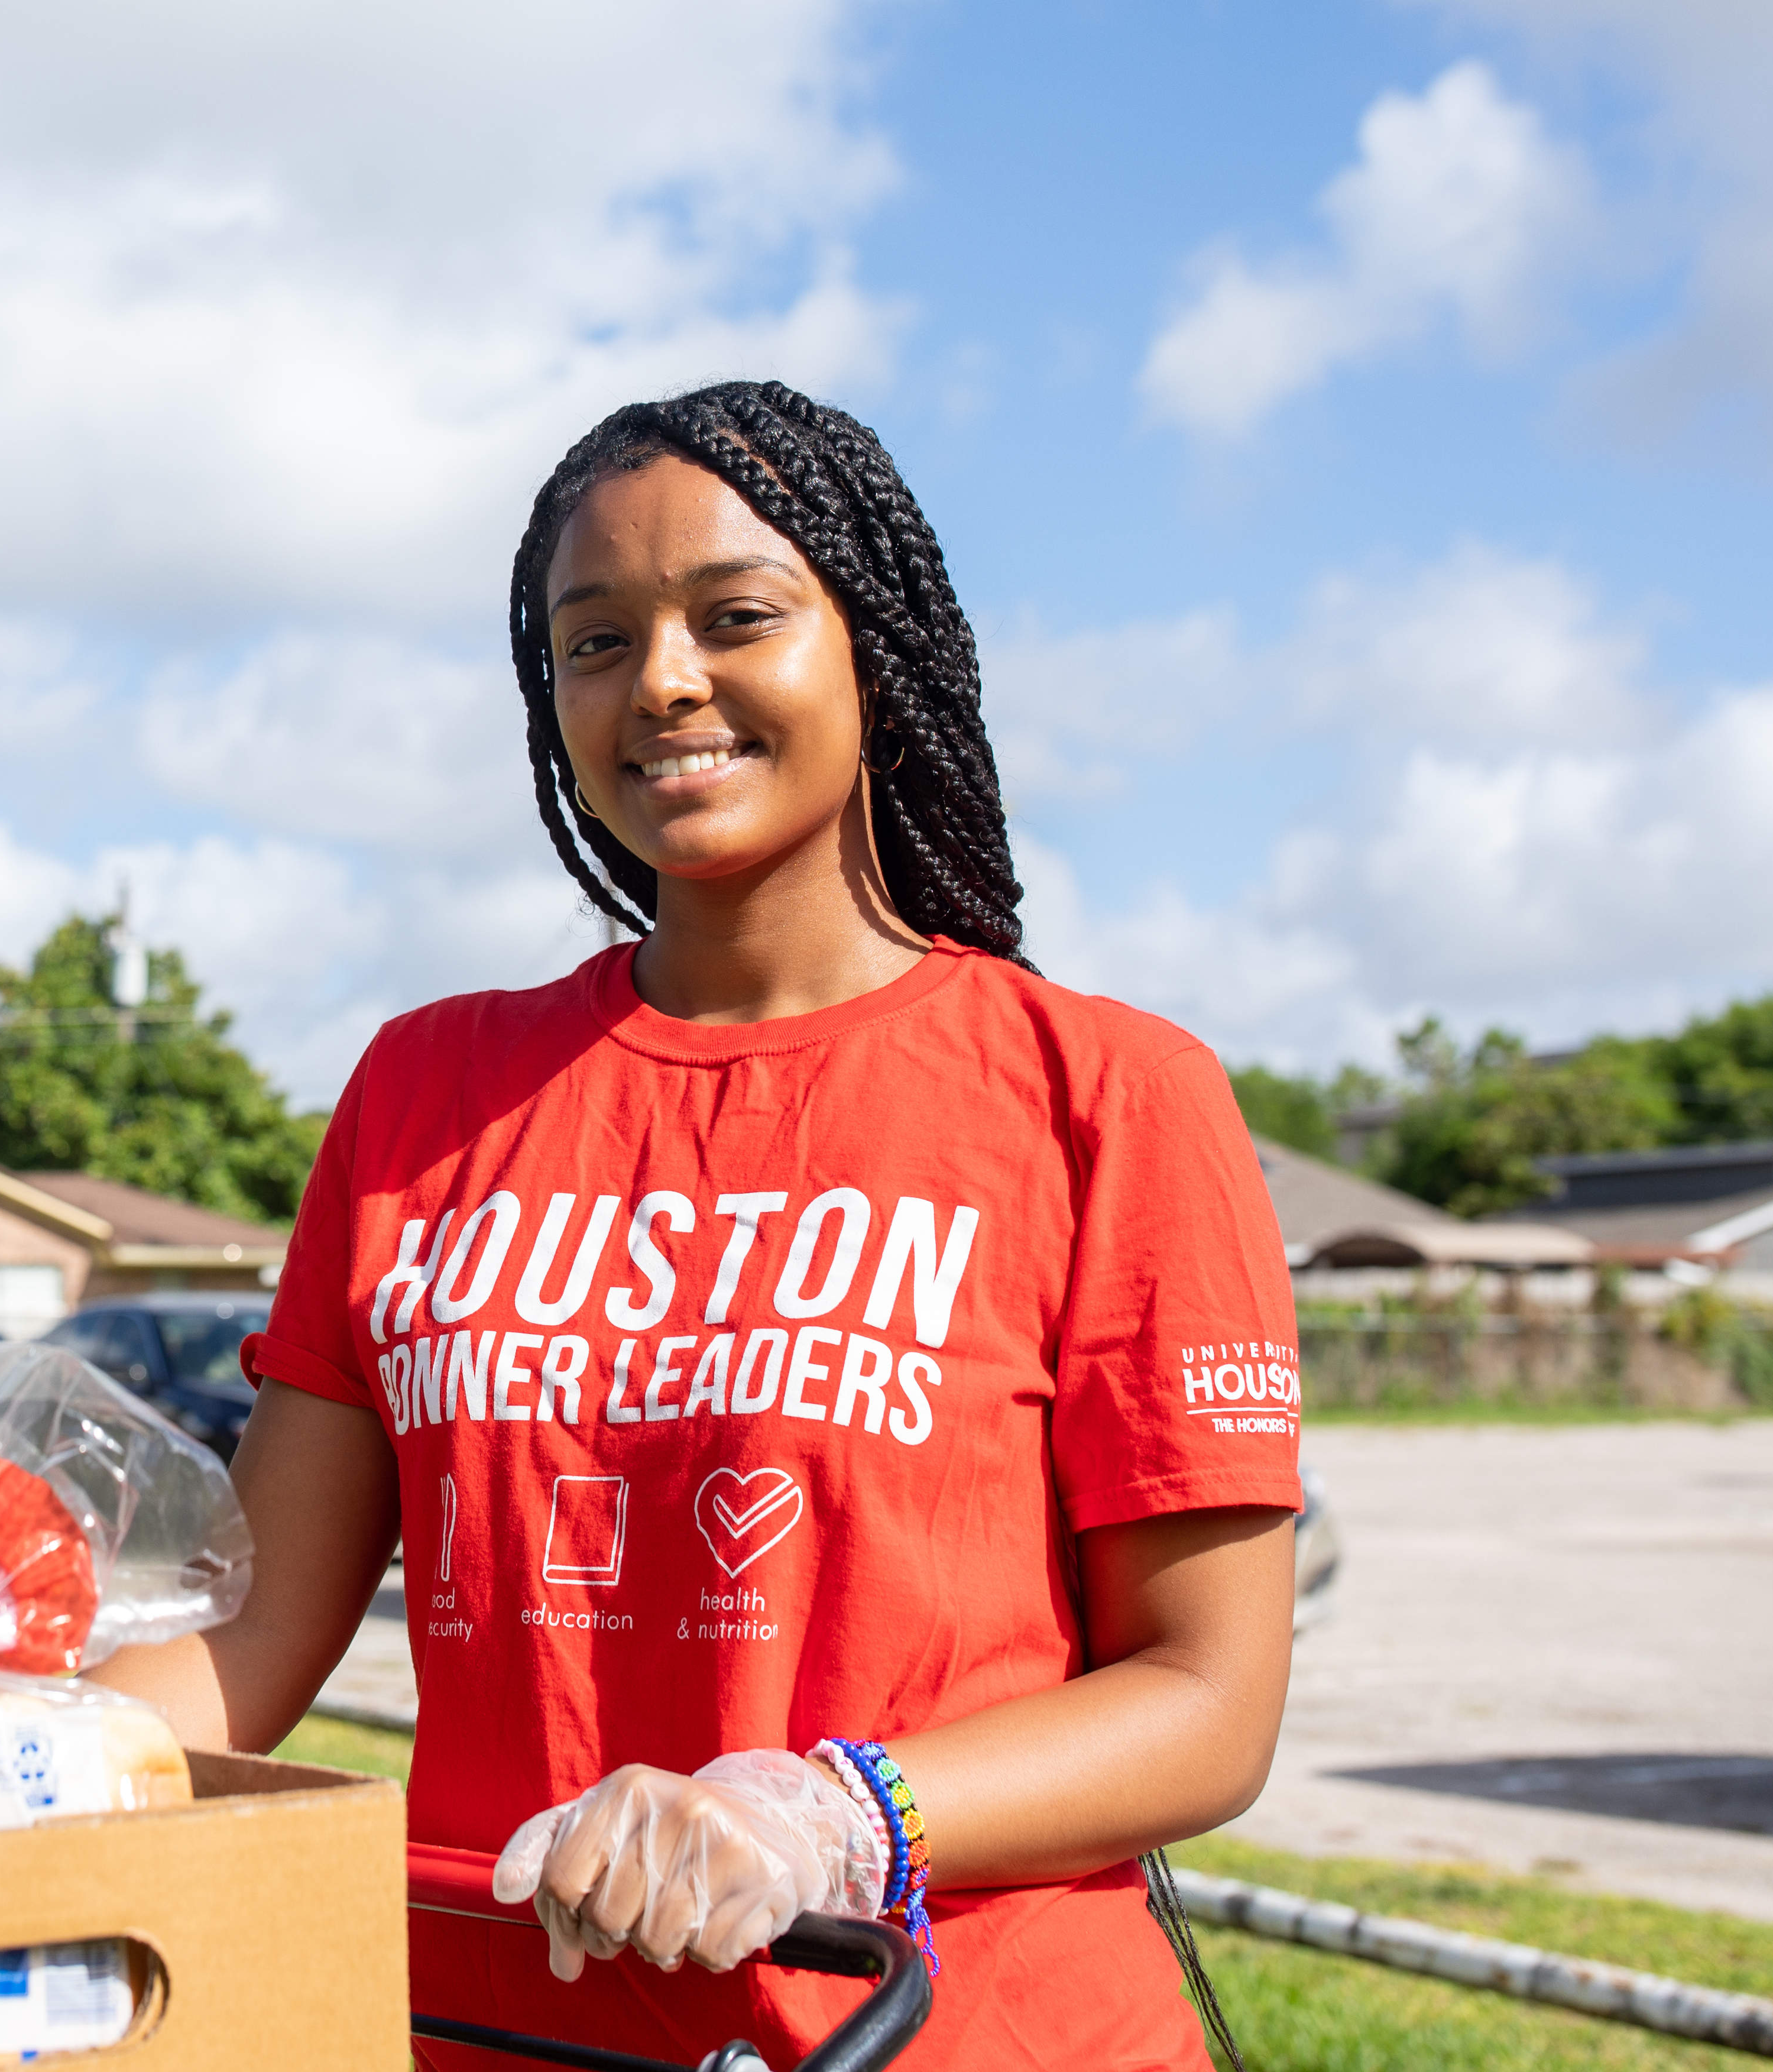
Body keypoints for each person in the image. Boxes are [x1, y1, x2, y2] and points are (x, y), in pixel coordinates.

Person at [92, 382, 1301, 2071]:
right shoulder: (427, 1092)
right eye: (594, 644)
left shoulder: (1107, 1094)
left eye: (735, 618)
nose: (660, 684)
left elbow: (1208, 1701)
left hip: (945, 2036)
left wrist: (829, 1818)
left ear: (875, 649)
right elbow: (252, 1630)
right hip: (515, 2040)